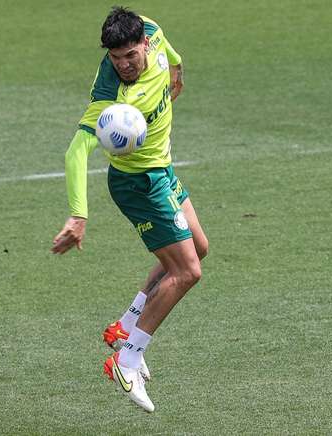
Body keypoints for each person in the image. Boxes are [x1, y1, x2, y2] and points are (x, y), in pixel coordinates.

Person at [51, 7, 209, 412]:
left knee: (199, 247)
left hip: (163, 169)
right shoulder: (108, 97)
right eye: (115, 57)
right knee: (187, 270)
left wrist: (177, 74)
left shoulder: (153, 31)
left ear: (143, 43)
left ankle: (125, 324)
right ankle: (127, 357)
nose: (123, 64)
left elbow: (172, 54)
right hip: (138, 185)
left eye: (129, 56)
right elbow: (75, 153)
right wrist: (78, 214)